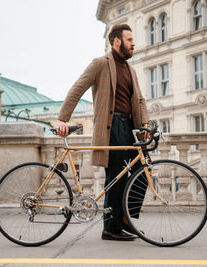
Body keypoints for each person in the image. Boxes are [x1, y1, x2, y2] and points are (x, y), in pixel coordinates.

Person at [56, 24, 149, 241]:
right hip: (113, 126)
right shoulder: (101, 64)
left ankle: (125, 221)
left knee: (141, 175)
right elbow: (78, 87)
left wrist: (146, 124)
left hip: (131, 128)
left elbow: (140, 100)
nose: (133, 43)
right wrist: (63, 118)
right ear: (117, 41)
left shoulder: (130, 69)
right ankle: (111, 227)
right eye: (129, 39)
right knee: (116, 178)